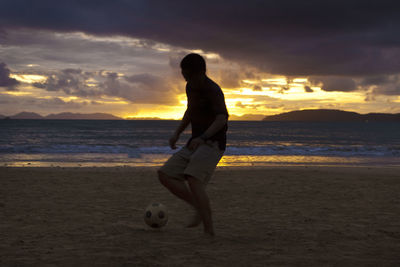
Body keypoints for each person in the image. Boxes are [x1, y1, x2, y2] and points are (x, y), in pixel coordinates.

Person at [158, 53, 228, 236]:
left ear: (201, 73)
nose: (187, 80)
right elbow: (190, 111)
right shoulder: (190, 87)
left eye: (189, 76)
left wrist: (203, 137)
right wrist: (177, 133)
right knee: (165, 174)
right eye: (184, 76)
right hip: (195, 142)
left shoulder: (213, 90)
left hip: (212, 143)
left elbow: (222, 118)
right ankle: (198, 206)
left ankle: (209, 230)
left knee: (193, 179)